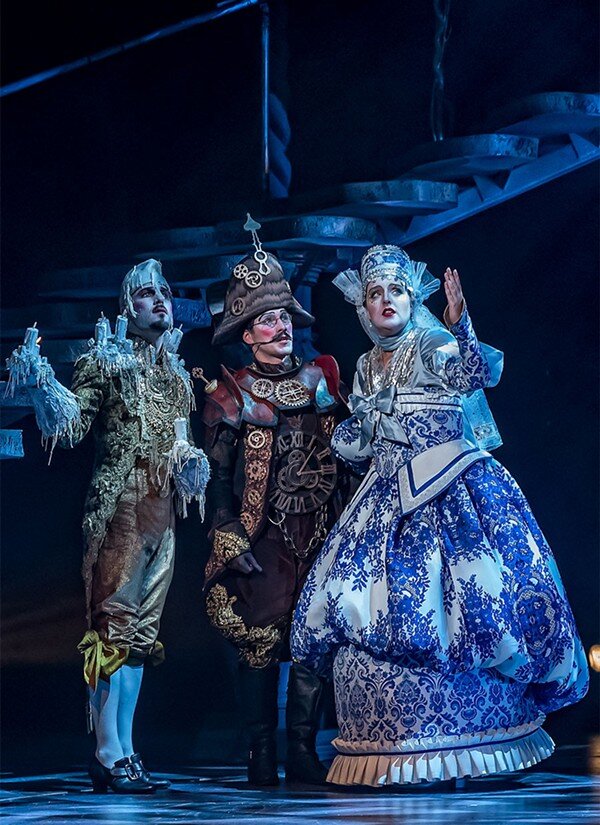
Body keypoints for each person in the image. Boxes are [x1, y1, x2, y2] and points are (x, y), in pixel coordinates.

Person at [291, 244, 588, 786]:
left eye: (396, 291)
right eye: (375, 293)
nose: (386, 301)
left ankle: (467, 746)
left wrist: (459, 321)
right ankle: (391, 748)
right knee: (352, 603)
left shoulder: (432, 342)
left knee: (471, 598)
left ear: (412, 299)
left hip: (449, 488)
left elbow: (473, 375)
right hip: (385, 497)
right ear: (363, 306)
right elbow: (362, 442)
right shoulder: (365, 365)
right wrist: (357, 428)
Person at [7, 259, 210, 794]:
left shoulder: (175, 373)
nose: (159, 299)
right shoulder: (107, 359)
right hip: (121, 506)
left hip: (163, 512)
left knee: (141, 635)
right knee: (113, 627)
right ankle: (106, 748)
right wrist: (45, 385)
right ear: (127, 307)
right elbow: (73, 426)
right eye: (146, 293)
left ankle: (126, 746)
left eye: (165, 291)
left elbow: (182, 441)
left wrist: (190, 463)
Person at [202, 216, 350, 785]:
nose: (280, 326)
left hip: (322, 528)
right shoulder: (231, 392)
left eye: (284, 316)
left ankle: (304, 750)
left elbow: (346, 457)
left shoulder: (321, 379)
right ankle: (261, 752)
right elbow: (218, 477)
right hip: (262, 533)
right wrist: (226, 531)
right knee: (261, 641)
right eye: (267, 319)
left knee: (314, 640)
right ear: (247, 334)